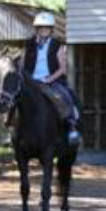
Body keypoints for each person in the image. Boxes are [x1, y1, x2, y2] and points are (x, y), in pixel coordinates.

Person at [22, 11, 82, 146]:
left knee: (63, 97)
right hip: (31, 81)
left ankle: (71, 126)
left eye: (47, 28)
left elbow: (63, 69)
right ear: (36, 29)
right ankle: (12, 130)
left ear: (51, 30)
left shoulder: (57, 45)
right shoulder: (29, 44)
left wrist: (49, 79)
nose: (44, 30)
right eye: (41, 27)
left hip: (51, 80)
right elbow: (23, 64)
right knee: (14, 98)